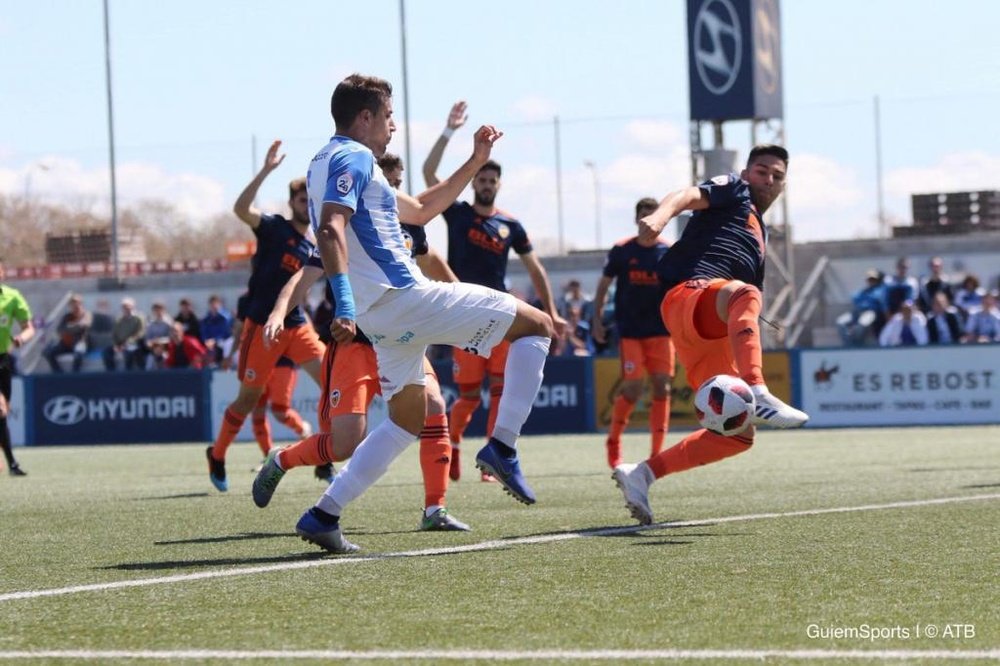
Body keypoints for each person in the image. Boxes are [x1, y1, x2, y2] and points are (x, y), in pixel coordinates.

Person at [288, 74, 554, 553]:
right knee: (539, 326)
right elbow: (329, 229)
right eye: (388, 115)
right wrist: (343, 302)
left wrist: (474, 159)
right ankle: (504, 446)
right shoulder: (354, 156)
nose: (393, 125)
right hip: (403, 298)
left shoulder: (328, 161)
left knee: (409, 418)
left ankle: (323, 513)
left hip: (384, 318)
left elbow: (424, 209)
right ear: (365, 117)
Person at [253, 151, 472, 532]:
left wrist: (465, 309)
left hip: (403, 338)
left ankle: (434, 509)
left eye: (398, 185)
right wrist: (277, 312)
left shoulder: (411, 232)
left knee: (434, 404)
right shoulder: (346, 231)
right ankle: (283, 460)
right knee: (344, 444)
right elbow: (300, 280)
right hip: (355, 344)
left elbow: (435, 262)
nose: (394, 193)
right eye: (388, 185)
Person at [611, 144, 808, 526]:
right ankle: (759, 389)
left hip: (702, 327)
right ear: (747, 172)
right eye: (762, 171)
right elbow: (687, 195)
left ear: (783, 185)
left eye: (777, 176)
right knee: (745, 294)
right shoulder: (734, 190)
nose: (768, 179)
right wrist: (660, 216)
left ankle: (641, 475)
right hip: (690, 293)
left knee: (736, 434)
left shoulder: (759, 232)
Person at [422, 100, 565, 482]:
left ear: (498, 184)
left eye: (491, 180)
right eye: (481, 179)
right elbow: (428, 171)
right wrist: (450, 131)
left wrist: (550, 309)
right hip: (463, 311)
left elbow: (535, 267)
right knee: (468, 395)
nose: (486, 184)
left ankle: (494, 460)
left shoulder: (510, 225)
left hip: (501, 312)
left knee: (501, 389)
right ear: (473, 183)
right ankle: (452, 447)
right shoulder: (458, 213)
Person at [205, 139, 327, 492]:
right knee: (247, 400)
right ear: (292, 204)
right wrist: (266, 170)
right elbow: (241, 208)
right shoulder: (274, 228)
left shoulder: (316, 244)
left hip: (297, 325)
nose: (307, 204)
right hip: (262, 326)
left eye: (310, 199)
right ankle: (217, 453)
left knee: (333, 383)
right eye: (301, 199)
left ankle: (324, 459)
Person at [592, 197, 674, 469]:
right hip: (631, 332)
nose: (649, 220)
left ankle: (656, 453)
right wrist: (597, 319)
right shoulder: (622, 251)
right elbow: (603, 286)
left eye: (654, 215)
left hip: (661, 332)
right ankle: (613, 442)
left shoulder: (669, 251)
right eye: (644, 215)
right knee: (633, 388)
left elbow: (681, 289)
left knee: (663, 386)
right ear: (637, 219)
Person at [231, 289, 317, 475]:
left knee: (279, 410)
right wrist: (232, 353)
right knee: (258, 410)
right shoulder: (246, 299)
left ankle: (303, 429)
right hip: (259, 360)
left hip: (284, 361)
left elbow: (305, 323)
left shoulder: (286, 293)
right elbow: (240, 328)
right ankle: (268, 457)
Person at [0, 259, 35, 476]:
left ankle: (11, 464)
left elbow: (28, 328)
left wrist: (21, 338)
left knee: (3, 414)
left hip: (3, 360)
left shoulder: (12, 297)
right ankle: (12, 463)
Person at [836, 269, 887, 346]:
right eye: (869, 279)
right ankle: (848, 344)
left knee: (861, 324)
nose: (871, 281)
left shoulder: (881, 290)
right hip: (857, 312)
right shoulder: (864, 291)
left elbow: (877, 300)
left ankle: (856, 345)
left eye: (873, 279)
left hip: (870, 312)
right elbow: (854, 297)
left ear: (878, 280)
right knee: (840, 322)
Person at [44, 294, 91, 373]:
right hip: (65, 344)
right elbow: (59, 329)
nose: (75, 305)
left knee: (78, 355)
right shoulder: (67, 317)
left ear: (81, 304)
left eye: (77, 303)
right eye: (73, 303)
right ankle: (59, 373)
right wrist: (72, 327)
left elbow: (82, 326)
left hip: (79, 343)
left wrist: (69, 328)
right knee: (48, 353)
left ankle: (74, 375)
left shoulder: (86, 315)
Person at [102, 297, 146, 371]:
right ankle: (111, 374)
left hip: (134, 344)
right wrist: (116, 345)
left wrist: (128, 342)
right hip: (120, 344)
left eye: (128, 306)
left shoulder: (139, 318)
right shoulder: (119, 319)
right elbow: (114, 334)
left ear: (133, 306)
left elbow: (141, 332)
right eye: (124, 306)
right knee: (106, 352)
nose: (126, 308)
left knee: (130, 354)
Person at [200, 295, 233, 368]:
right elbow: (204, 332)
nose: (214, 306)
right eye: (212, 304)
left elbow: (225, 333)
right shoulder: (206, 319)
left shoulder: (225, 318)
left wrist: (215, 340)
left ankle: (224, 365)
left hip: (224, 342)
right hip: (210, 343)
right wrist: (206, 341)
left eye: (216, 304)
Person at [142, 301, 174, 369]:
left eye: (160, 310)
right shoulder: (150, 324)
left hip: (165, 349)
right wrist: (150, 344)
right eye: (156, 310)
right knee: (149, 361)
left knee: (166, 358)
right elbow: (147, 339)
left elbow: (171, 338)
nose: (158, 312)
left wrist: (159, 342)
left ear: (164, 310)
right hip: (153, 350)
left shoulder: (169, 323)